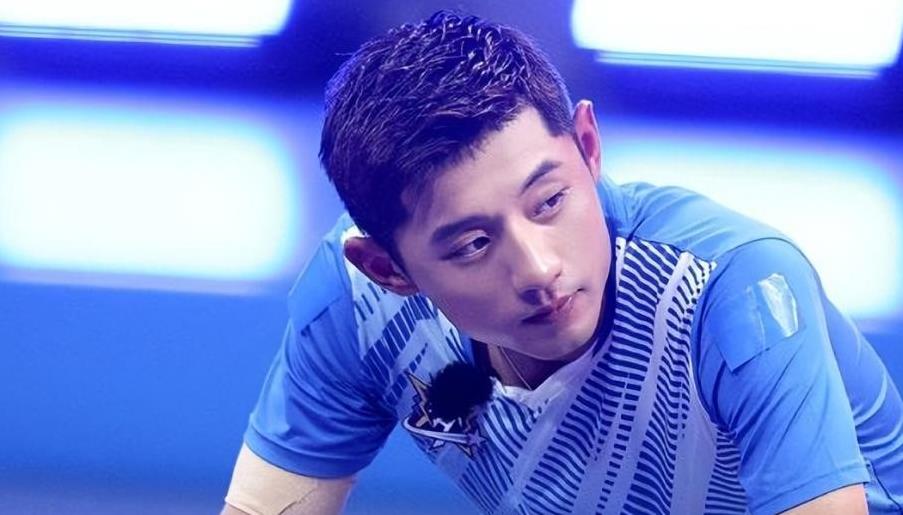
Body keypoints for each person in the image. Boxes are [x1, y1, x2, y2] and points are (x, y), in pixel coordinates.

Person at [222, 10, 903, 515]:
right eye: (473, 244)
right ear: (388, 269)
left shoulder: (735, 289)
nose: (537, 269)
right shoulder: (356, 304)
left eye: (548, 202)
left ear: (587, 145)